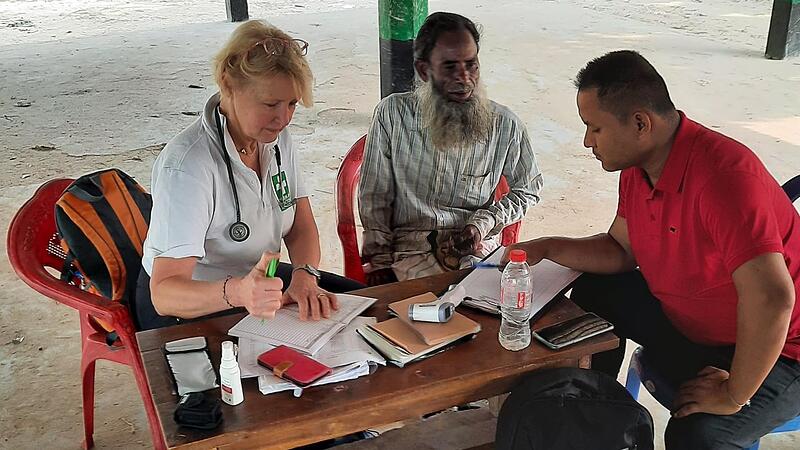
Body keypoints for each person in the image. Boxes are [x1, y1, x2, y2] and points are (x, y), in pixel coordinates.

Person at [506, 50, 800, 448]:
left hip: (779, 348)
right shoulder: (638, 168)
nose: (587, 141)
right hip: (696, 326)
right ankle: (594, 421)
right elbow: (621, 250)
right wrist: (546, 246)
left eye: (594, 128)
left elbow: (772, 298)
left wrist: (734, 394)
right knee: (596, 291)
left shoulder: (724, 178)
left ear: (641, 123)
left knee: (699, 433)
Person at [135, 20, 363, 331]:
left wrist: (304, 276)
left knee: (364, 310)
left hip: (255, 283)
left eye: (292, 104)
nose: (283, 119)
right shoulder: (188, 166)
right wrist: (240, 292)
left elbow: (301, 225)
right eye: (270, 104)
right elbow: (165, 293)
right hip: (188, 306)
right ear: (228, 85)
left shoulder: (276, 139)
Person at [358, 12, 543, 286]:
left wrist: (482, 223)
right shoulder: (392, 115)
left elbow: (528, 190)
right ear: (424, 70)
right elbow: (375, 197)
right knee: (423, 320)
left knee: (502, 308)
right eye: (449, 67)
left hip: (476, 252)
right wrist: (378, 262)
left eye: (472, 65)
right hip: (408, 252)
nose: (464, 78)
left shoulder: (505, 125)